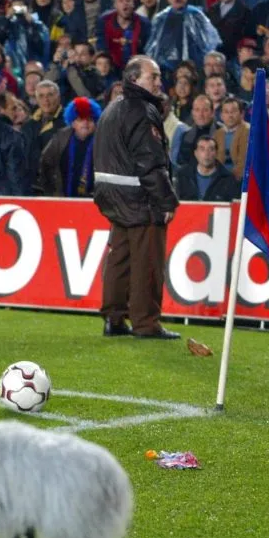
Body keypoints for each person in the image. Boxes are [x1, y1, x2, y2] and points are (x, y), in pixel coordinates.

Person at [93, 55, 179, 339]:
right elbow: (150, 162)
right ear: (133, 80)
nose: (158, 82)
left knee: (120, 259)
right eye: (152, 76)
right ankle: (146, 323)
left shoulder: (112, 108)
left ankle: (114, 318)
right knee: (147, 262)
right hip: (141, 197)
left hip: (112, 195)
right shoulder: (142, 110)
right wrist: (167, 201)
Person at [38, 97, 101, 197]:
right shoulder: (60, 137)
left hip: (93, 201)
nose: (85, 123)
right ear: (73, 122)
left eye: (89, 119)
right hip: (63, 198)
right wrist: (50, 190)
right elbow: (46, 163)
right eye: (80, 119)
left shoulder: (102, 140)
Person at [174, 134, 240, 202]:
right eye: (202, 149)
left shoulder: (228, 179)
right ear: (196, 153)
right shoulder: (182, 175)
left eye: (211, 149)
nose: (206, 153)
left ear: (216, 153)